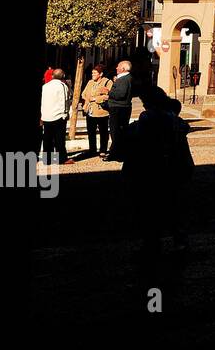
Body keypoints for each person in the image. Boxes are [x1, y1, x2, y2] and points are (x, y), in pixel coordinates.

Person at [122, 86, 194, 261]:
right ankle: (180, 242)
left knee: (150, 209)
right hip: (174, 170)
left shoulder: (146, 120)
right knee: (174, 208)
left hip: (152, 170)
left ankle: (152, 244)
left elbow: (137, 145)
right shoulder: (176, 121)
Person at [40, 68, 72, 166]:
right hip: (58, 115)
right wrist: (65, 114)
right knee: (59, 139)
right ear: (63, 76)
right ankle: (62, 158)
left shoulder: (45, 86)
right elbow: (64, 100)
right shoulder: (62, 86)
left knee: (47, 138)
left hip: (46, 115)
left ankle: (47, 159)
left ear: (53, 76)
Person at [81, 64, 113, 158]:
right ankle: (92, 150)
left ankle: (103, 150)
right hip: (90, 111)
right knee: (91, 132)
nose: (93, 74)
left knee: (103, 132)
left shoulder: (107, 82)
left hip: (102, 112)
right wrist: (86, 101)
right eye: (92, 73)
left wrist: (95, 99)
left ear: (101, 74)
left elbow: (108, 96)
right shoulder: (90, 82)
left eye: (95, 73)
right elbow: (84, 94)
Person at [105, 61, 135, 161]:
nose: (116, 68)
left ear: (123, 68)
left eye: (118, 67)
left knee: (116, 132)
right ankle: (118, 153)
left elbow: (120, 94)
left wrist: (108, 92)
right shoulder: (125, 78)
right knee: (119, 132)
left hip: (118, 108)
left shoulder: (124, 79)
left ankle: (115, 154)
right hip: (121, 107)